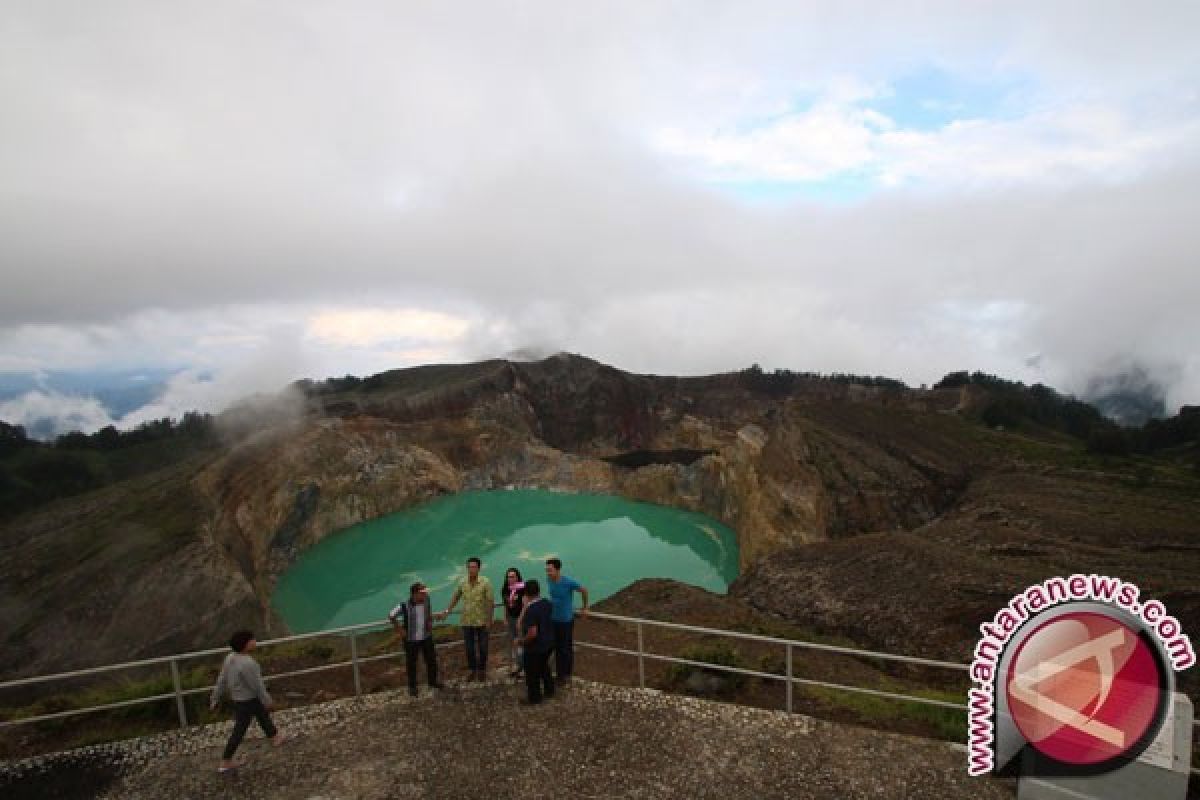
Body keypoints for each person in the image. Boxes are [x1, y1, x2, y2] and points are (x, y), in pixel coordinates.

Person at [209, 630, 286, 773]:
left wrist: (215, 697)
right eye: (252, 639)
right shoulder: (248, 663)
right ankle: (226, 761)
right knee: (239, 730)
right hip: (247, 699)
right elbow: (256, 685)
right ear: (245, 644)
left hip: (239, 699)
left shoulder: (230, 658)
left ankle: (274, 737)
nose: (255, 641)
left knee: (262, 715)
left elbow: (222, 679)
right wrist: (268, 700)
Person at [438, 556, 494, 681]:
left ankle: (482, 670)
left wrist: (490, 620)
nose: (471, 569)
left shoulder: (486, 582)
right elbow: (456, 597)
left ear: (479, 568)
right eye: (469, 567)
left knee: (483, 648)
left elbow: (490, 602)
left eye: (474, 567)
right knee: (469, 649)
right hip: (466, 621)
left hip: (482, 621)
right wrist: (447, 611)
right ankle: (473, 670)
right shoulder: (462, 582)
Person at [389, 581, 442, 696]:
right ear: (414, 594)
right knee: (412, 664)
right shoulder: (404, 605)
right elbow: (391, 615)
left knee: (431, 660)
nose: (424, 595)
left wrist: (429, 620)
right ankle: (412, 687)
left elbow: (428, 611)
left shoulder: (427, 600)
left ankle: (432, 682)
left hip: (426, 636)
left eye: (425, 592)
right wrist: (399, 629)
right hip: (411, 640)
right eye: (422, 593)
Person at [545, 557, 589, 684]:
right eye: (547, 570)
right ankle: (561, 674)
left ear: (558, 570)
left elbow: (584, 590)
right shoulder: (549, 580)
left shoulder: (568, 582)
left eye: (550, 570)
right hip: (553, 619)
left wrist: (585, 607)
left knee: (565, 648)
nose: (548, 573)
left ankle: (564, 675)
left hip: (565, 621)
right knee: (557, 647)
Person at [518, 579, 556, 705]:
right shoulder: (547, 603)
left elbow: (532, 633)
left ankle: (534, 698)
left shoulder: (531, 610)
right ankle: (550, 691)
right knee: (544, 667)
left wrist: (522, 641)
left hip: (535, 648)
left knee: (532, 674)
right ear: (538, 590)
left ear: (526, 594)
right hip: (549, 644)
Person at [500, 567, 526, 678]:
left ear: (517, 577)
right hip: (510, 619)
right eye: (508, 576)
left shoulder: (523, 588)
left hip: (521, 619)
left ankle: (523, 666)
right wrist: (504, 617)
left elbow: (525, 605)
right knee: (512, 641)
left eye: (513, 576)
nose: (510, 579)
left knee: (521, 642)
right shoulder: (505, 589)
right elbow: (505, 604)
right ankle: (516, 665)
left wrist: (520, 619)